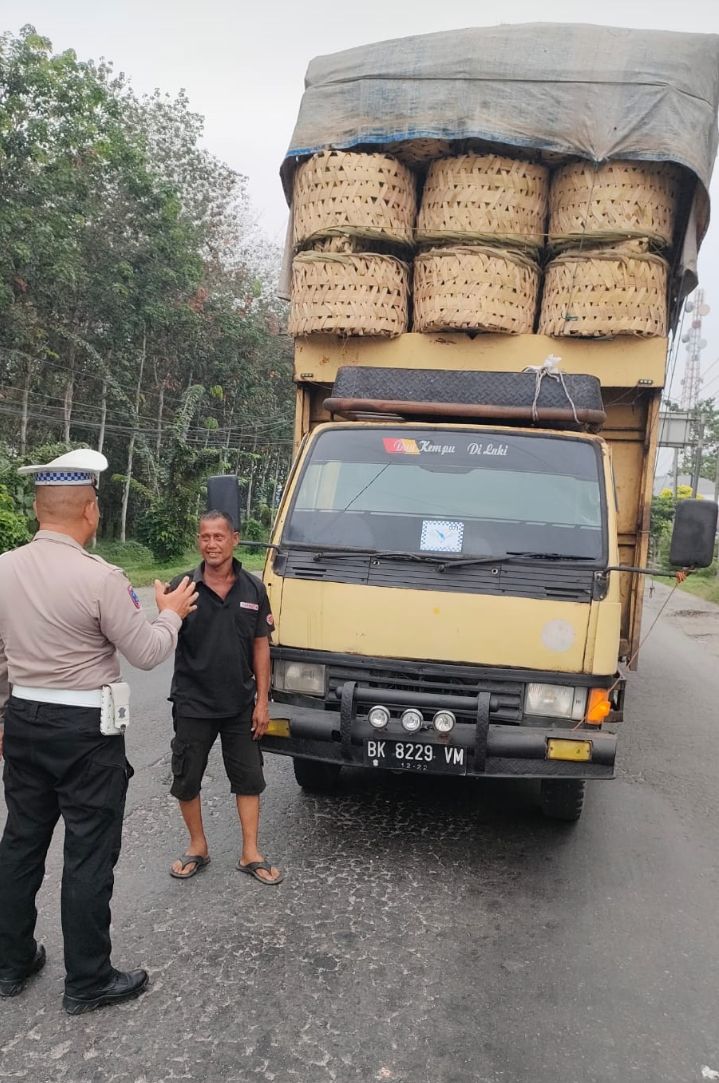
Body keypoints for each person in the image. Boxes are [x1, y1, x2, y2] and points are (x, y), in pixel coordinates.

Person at [0, 449, 198, 1014]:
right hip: (85, 730)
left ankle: (10, 963)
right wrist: (171, 613)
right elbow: (147, 652)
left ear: (39, 510)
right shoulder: (101, 578)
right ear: (89, 510)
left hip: (25, 721)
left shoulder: (4, 568)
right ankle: (87, 980)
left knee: (20, 843)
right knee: (88, 851)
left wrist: (3, 717)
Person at [168, 509, 283, 885]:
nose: (211, 544)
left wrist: (262, 701)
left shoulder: (253, 589)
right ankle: (197, 846)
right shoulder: (183, 586)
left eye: (219, 536)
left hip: (239, 704)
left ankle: (251, 852)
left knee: (249, 779)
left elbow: (261, 647)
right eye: (205, 537)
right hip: (192, 702)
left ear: (234, 539)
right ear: (198, 541)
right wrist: (164, 613)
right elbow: (161, 637)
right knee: (187, 777)